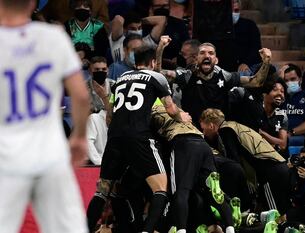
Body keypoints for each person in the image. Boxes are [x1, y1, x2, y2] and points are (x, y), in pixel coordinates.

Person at [0, 0, 90, 233]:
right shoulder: (53, 37)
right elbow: (80, 95)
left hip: (6, 158)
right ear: (32, 3)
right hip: (49, 155)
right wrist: (79, 136)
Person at [86, 45, 191, 233]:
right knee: (160, 188)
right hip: (139, 136)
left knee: (102, 190)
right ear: (152, 62)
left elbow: (109, 117)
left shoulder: (120, 80)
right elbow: (170, 108)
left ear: (136, 62)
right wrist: (181, 116)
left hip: (115, 138)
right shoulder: (156, 76)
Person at [151, 104, 236, 233]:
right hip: (203, 145)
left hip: (183, 143)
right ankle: (230, 228)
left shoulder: (149, 108)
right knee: (212, 192)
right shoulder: (175, 107)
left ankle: (181, 230)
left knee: (181, 190)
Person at [199, 108, 290, 220]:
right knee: (281, 214)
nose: (203, 133)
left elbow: (234, 163)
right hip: (280, 167)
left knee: (274, 217)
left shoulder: (225, 130)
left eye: (203, 129)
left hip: (271, 172)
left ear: (211, 126)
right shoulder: (235, 126)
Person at [159, 42, 272, 128]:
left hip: (219, 129)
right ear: (196, 59)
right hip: (192, 128)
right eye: (202, 53)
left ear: (216, 60)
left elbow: (256, 82)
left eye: (211, 53)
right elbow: (158, 75)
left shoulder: (224, 75)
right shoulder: (187, 75)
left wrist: (266, 61)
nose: (207, 56)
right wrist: (160, 49)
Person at [150, 0, 190, 68]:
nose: (162, 8)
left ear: (169, 7)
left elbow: (187, 45)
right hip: (151, 64)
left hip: (175, 66)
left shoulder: (179, 24)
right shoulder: (145, 25)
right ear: (151, 8)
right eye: (158, 6)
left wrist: (178, 58)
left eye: (165, 6)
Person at [232, 0, 262, 75]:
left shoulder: (250, 25)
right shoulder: (219, 28)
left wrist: (246, 63)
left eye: (236, 11)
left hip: (249, 65)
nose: (234, 13)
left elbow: (256, 47)